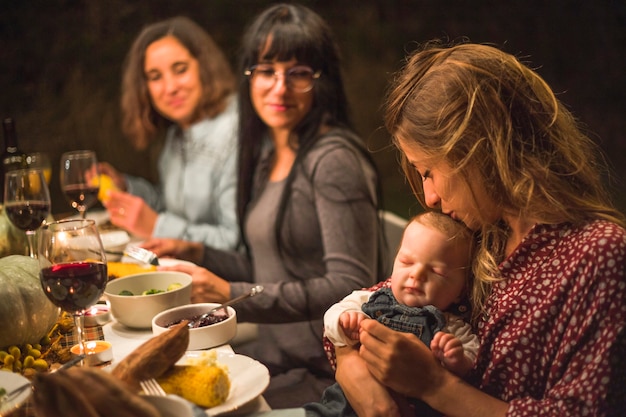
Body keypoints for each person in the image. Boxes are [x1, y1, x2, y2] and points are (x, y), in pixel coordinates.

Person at [330, 41, 626, 417]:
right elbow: (381, 302)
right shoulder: (483, 234)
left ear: (480, 151)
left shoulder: (597, 256)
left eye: (429, 172)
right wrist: (348, 359)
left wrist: (434, 385)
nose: (430, 197)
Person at [141, 4, 386, 408]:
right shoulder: (274, 152)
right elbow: (272, 267)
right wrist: (199, 253)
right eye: (267, 70)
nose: (279, 87)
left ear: (322, 81)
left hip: (325, 375)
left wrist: (231, 292)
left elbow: (349, 284)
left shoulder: (333, 160)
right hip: (274, 359)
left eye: (299, 73)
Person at [306, 211, 478, 416]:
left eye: (437, 272)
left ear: (461, 292)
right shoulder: (369, 299)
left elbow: (472, 357)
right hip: (340, 406)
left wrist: (456, 359)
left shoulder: (451, 327)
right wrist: (345, 320)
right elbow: (333, 315)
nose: (417, 274)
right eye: (406, 262)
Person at [99, 16, 240, 250]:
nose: (170, 88)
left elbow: (235, 242)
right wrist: (126, 187)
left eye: (180, 70)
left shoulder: (235, 130)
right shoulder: (177, 133)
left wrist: (158, 226)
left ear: (205, 67)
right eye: (155, 77)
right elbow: (172, 209)